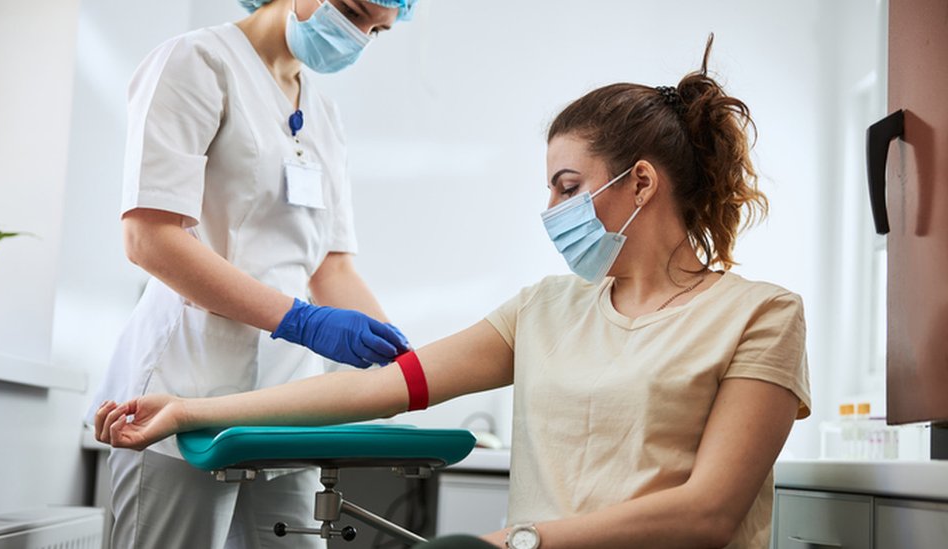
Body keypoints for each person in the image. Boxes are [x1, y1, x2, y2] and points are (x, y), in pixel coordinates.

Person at [95, 35, 811, 549]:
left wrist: (515, 542)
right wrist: (189, 407)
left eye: (567, 186)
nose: (552, 210)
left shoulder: (760, 315)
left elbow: (709, 515)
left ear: (643, 182)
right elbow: (381, 387)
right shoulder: (545, 308)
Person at [86, 1, 420, 548]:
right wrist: (300, 319)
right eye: (355, 10)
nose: (358, 36)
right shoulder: (198, 61)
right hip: (184, 381)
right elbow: (150, 238)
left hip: (286, 403)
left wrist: (409, 364)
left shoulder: (323, 114)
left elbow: (331, 264)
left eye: (377, 30)